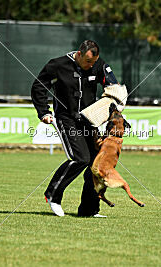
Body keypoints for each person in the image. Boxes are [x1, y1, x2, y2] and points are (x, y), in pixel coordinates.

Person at [31, 40, 119, 217]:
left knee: (97, 163)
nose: (91, 66)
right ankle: (53, 195)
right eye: (88, 62)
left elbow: (113, 86)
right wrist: (43, 112)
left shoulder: (99, 65)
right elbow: (38, 87)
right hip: (66, 119)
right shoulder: (57, 65)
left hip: (89, 121)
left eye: (94, 62)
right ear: (79, 54)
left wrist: (115, 102)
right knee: (80, 158)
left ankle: (89, 209)